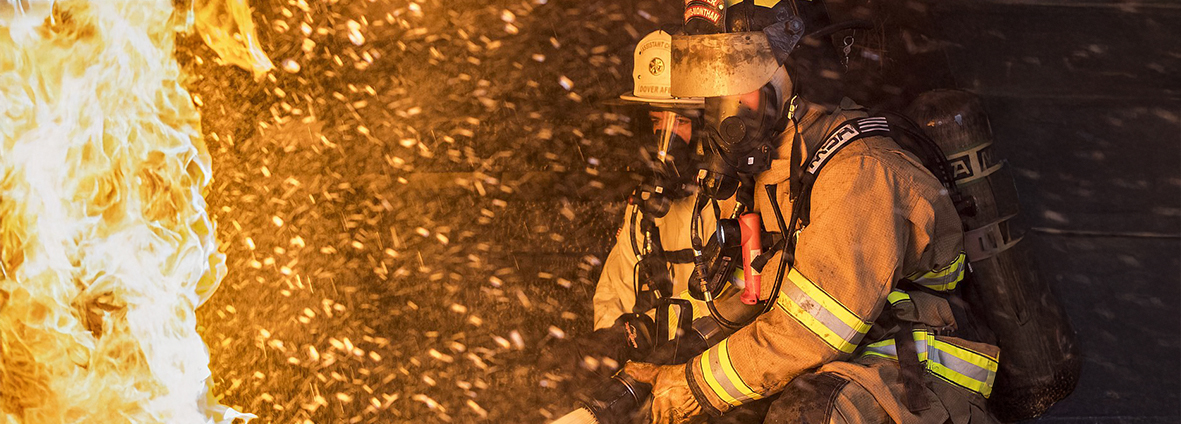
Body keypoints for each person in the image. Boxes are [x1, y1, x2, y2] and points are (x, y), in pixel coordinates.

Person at [613, 1, 1003, 423]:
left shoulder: (860, 171)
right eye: (712, 79)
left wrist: (695, 384)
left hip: (916, 381)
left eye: (738, 74)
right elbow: (759, 295)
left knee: (803, 413)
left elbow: (812, 330)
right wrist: (658, 346)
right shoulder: (776, 170)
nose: (724, 100)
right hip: (841, 369)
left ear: (801, 71)